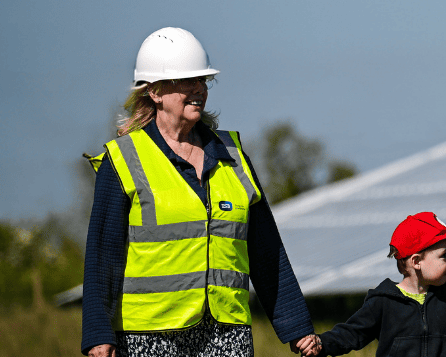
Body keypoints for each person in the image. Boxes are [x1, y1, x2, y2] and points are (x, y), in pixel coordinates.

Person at [81, 27, 314, 357]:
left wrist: (297, 327)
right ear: (155, 92)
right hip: (150, 335)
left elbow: (266, 250)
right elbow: (103, 254)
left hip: (227, 332)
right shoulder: (122, 160)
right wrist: (97, 333)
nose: (199, 90)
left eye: (203, 81)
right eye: (185, 81)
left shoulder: (234, 157)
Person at [292, 212, 446, 357]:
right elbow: (351, 334)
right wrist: (320, 344)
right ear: (416, 261)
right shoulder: (383, 301)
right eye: (445, 255)